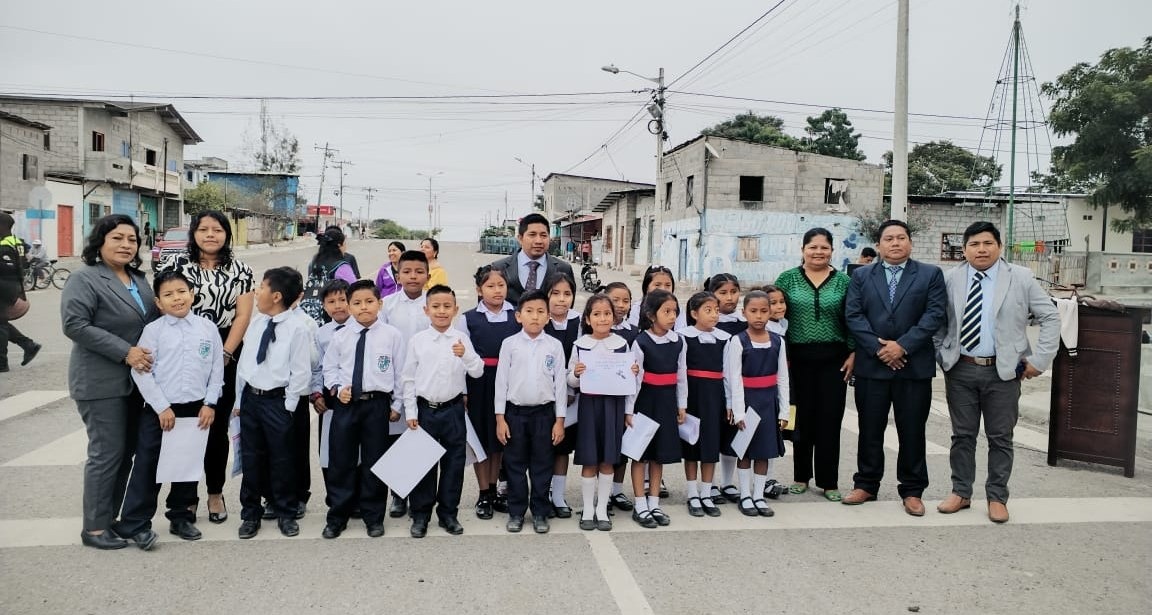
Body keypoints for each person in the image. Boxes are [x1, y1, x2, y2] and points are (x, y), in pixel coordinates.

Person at [934, 221, 1060, 524]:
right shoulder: (949, 279)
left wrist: (1040, 360)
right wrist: (941, 352)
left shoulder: (1021, 277)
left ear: (999, 247)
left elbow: (1050, 316)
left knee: (1001, 437)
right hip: (961, 369)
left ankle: (997, 497)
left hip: (1003, 371)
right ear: (964, 250)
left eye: (988, 243)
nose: (981, 249)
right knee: (962, 436)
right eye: (974, 244)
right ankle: (961, 492)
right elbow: (937, 321)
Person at [61, 214, 157, 549]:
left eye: (132, 239)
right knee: (106, 453)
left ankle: (110, 519)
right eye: (117, 238)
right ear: (100, 241)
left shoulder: (138, 279)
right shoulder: (85, 278)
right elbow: (75, 325)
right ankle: (94, 528)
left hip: (134, 383)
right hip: (100, 382)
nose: (126, 245)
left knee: (125, 453)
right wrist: (125, 352)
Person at [113, 271, 223, 550]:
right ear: (158, 302)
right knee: (148, 465)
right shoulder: (154, 331)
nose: (177, 298)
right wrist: (161, 407)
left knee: (186, 464)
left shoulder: (207, 328)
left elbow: (216, 369)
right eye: (168, 294)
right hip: (160, 410)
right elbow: (141, 371)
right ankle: (135, 522)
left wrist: (209, 403)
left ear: (192, 294)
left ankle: (181, 516)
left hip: (196, 409)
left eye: (182, 292)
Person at [844, 220, 947, 516]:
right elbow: (853, 315)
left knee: (912, 430)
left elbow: (934, 315)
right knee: (869, 429)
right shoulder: (861, 275)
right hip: (872, 367)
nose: (895, 243)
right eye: (889, 238)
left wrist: (902, 346)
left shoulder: (930, 274)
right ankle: (866, 484)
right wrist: (880, 349)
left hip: (913, 367)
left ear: (910, 243)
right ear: (878, 245)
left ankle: (912, 490)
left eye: (901, 238)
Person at [161, 210, 255, 524]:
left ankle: (215, 492)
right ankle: (185, 497)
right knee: (185, 425)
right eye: (204, 229)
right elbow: (164, 306)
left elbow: (243, 315)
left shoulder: (240, 270)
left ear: (227, 234)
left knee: (215, 427)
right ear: (194, 233)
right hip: (182, 349)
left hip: (226, 348)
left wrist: (225, 353)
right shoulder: (176, 266)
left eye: (217, 230)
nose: (211, 235)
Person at [774, 228, 856, 503]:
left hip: (835, 359)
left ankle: (828, 481)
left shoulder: (844, 281)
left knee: (830, 419)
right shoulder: (788, 279)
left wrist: (853, 352)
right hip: (796, 358)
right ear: (803, 250)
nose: (818, 252)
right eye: (813, 247)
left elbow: (853, 317)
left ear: (832, 250)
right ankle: (800, 477)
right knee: (801, 418)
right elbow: (774, 314)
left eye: (824, 247)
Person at [321, 280, 407, 539]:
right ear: (349, 307)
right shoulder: (341, 336)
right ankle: (338, 516)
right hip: (346, 405)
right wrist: (338, 388)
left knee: (374, 461)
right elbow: (329, 368)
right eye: (357, 303)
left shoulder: (392, 336)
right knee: (341, 461)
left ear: (380, 303)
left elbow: (401, 373)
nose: (364, 307)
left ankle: (373, 516)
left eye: (369, 301)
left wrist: (397, 404)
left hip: (376, 404)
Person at [233, 266, 312, 539]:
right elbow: (245, 365)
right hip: (251, 400)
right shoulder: (258, 323)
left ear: (276, 296)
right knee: (251, 459)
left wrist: (288, 406)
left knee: (282, 459)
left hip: (277, 402)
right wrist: (239, 400)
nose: (257, 292)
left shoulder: (297, 329)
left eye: (262, 287)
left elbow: (300, 372)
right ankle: (250, 514)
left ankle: (286, 512)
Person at [402, 284, 485, 538]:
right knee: (423, 464)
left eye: (447, 306)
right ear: (426, 310)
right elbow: (408, 378)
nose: (441, 311)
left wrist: (466, 356)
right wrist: (410, 412)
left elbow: (478, 371)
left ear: (455, 310)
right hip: (426, 410)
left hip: (453, 410)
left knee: (453, 464)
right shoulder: (418, 341)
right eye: (436, 306)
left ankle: (448, 513)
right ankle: (421, 514)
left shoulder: (461, 340)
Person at [494, 290, 567, 534]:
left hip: (544, 415)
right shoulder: (509, 344)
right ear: (518, 316)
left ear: (548, 317)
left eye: (540, 312)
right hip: (515, 414)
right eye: (529, 311)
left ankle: (540, 512)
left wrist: (559, 421)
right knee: (514, 465)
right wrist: (500, 418)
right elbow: (501, 383)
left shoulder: (554, 346)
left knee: (542, 465)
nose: (535, 317)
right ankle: (516, 512)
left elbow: (560, 386)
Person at [569, 294, 637, 531]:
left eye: (607, 313)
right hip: (589, 408)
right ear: (588, 319)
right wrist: (576, 373)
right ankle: (588, 509)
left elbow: (630, 383)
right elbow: (570, 380)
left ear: (614, 317)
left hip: (613, 407)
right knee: (590, 459)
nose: (602, 318)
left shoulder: (622, 344)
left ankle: (602, 509)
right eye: (596, 314)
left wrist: (632, 372)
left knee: (608, 459)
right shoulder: (580, 345)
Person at [726, 290, 791, 518]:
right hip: (748, 402)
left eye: (764, 311)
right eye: (753, 311)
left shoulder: (778, 341)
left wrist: (784, 411)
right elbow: (734, 378)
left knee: (764, 452)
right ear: (744, 313)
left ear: (770, 312)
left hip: (768, 402)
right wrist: (739, 412)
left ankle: (759, 495)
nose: (759, 316)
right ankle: (745, 494)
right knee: (745, 451)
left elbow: (782, 378)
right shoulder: (738, 340)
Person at [464, 265, 520, 519]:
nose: (497, 291)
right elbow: (462, 358)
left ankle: (495, 489)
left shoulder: (516, 315)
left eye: (501, 285)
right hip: (480, 383)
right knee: (481, 440)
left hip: (508, 382)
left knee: (499, 441)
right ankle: (483, 492)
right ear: (479, 290)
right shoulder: (468, 318)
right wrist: (464, 392)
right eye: (490, 286)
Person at [630, 289, 687, 529]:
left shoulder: (678, 341)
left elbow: (681, 375)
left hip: (666, 402)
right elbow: (635, 380)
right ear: (651, 315)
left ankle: (654, 502)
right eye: (667, 312)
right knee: (640, 453)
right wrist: (629, 411)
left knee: (659, 455)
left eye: (675, 311)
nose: (672, 316)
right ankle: (639, 504)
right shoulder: (641, 342)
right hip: (645, 402)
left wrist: (681, 404)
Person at [678, 291, 730, 518]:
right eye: (708, 310)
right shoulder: (683, 337)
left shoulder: (725, 338)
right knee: (692, 445)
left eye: (716, 310)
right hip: (692, 395)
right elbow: (680, 372)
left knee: (710, 445)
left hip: (715, 397)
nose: (714, 315)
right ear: (694, 313)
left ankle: (707, 493)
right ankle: (692, 493)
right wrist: (680, 402)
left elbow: (728, 373)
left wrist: (729, 403)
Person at [310, 279, 353, 514]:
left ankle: (356, 499)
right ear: (324, 306)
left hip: (356, 398)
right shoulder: (322, 334)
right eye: (331, 302)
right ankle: (335, 498)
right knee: (330, 450)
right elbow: (317, 368)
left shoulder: (361, 328)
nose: (338, 306)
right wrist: (316, 394)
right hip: (331, 399)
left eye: (343, 300)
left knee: (356, 452)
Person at [542, 272, 581, 518]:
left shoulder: (579, 321)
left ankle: (558, 496)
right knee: (542, 448)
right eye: (555, 293)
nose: (561, 299)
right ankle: (541, 494)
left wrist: (570, 389)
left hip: (570, 397)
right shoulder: (539, 319)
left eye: (567, 294)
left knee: (562, 448)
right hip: (542, 396)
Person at [704, 273, 743, 504]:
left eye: (734, 292)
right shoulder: (707, 322)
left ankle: (727, 482)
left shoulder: (744, 322)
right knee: (711, 435)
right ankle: (707, 485)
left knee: (731, 435)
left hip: (736, 387)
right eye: (723, 293)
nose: (730, 298)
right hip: (710, 388)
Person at [490, 213, 575, 305]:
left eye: (543, 235)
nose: (538, 241)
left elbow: (567, 306)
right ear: (520, 238)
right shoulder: (499, 268)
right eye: (532, 235)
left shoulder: (563, 269)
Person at [1, 213, 40, 372]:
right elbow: (24, 263)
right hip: (13, 285)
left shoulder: (4, 245)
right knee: (1, 322)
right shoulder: (18, 242)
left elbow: (6, 268)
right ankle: (28, 345)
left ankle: (2, 362)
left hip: (4, 286)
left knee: (1, 324)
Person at [627, 266, 687, 331]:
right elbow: (633, 331)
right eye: (657, 285)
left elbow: (680, 332)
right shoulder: (637, 308)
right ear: (646, 287)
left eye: (668, 285)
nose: (663, 289)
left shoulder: (677, 309)